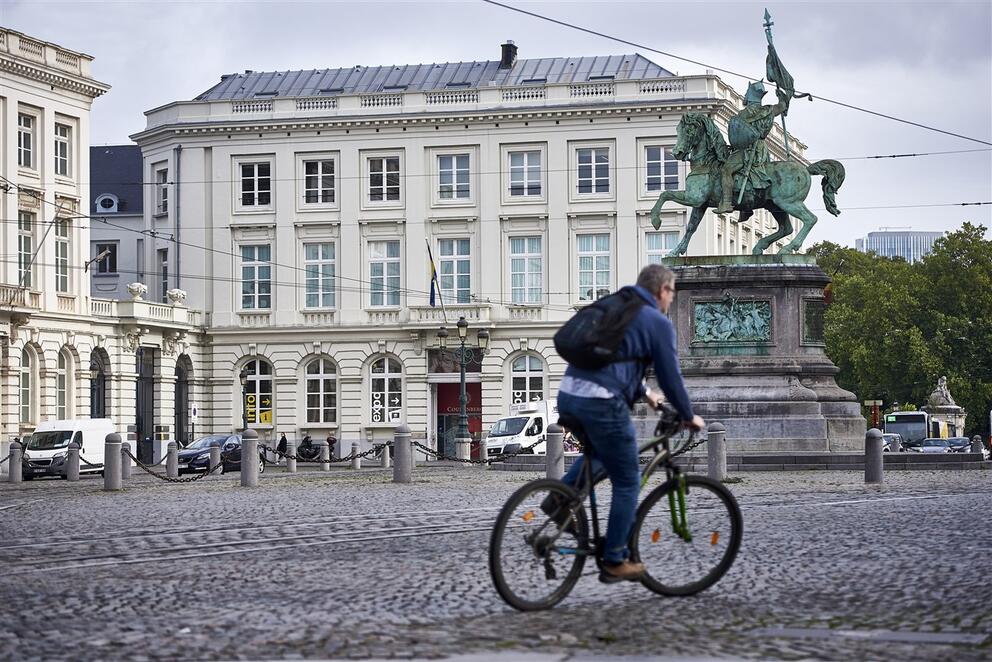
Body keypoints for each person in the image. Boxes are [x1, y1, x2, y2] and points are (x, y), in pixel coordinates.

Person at [558, 263, 704, 582]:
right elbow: (671, 374)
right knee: (628, 478)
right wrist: (688, 414)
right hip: (601, 404)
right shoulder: (656, 321)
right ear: (662, 290)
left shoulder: (616, 305)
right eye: (672, 294)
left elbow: (608, 357)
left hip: (569, 394)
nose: (671, 301)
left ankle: (559, 502)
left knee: (601, 455)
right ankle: (614, 559)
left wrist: (646, 393)